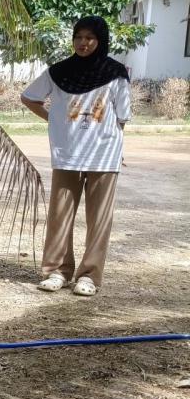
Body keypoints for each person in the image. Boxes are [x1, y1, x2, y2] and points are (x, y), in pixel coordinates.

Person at [20, 16, 131, 297]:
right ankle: (56, 271)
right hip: (67, 154)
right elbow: (29, 97)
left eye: (90, 38)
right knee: (60, 216)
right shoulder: (58, 72)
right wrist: (53, 119)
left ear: (101, 40)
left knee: (98, 220)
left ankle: (89, 276)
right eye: (79, 37)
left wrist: (106, 140)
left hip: (103, 157)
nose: (83, 43)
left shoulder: (116, 73)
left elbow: (122, 116)